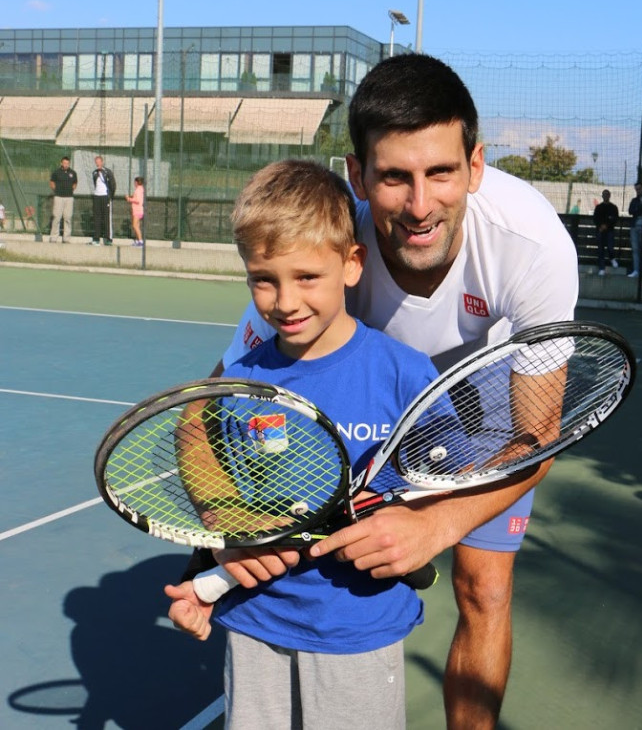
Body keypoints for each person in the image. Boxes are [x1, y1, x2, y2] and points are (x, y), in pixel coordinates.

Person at [168, 53, 579, 729]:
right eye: (394, 177)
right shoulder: (319, 248)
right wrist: (225, 528)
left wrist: (435, 523)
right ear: (358, 176)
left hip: (487, 398)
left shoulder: (534, 248)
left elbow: (538, 433)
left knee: (484, 586)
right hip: (376, 390)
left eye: (440, 172)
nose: (420, 206)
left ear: (475, 166)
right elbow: (201, 414)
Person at [168, 160, 441, 727]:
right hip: (255, 623)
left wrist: (418, 524)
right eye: (263, 279)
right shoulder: (242, 377)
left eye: (307, 277)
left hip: (359, 629)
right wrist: (212, 558)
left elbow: (448, 479)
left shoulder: (404, 374)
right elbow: (198, 441)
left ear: (352, 264)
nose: (286, 301)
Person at [49, 156, 78, 242]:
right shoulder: (56, 172)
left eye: (67, 163)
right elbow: (52, 182)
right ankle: (53, 237)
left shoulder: (73, 173)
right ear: (61, 163)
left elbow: (75, 183)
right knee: (56, 217)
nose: (66, 165)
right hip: (58, 197)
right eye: (64, 163)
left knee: (67, 218)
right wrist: (56, 190)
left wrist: (71, 189)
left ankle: (66, 238)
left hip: (69, 198)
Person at [90, 155, 116, 246]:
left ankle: (108, 238)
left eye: (99, 162)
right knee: (97, 217)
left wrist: (110, 196)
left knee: (106, 217)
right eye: (96, 162)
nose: (97, 164)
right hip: (97, 196)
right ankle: (96, 238)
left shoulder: (107, 172)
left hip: (105, 196)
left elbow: (113, 184)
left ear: (102, 162)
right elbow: (95, 183)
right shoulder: (94, 172)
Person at [593, 189, 619, 275]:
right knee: (600, 249)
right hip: (600, 231)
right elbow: (595, 219)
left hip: (610, 231)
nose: (605, 196)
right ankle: (602, 268)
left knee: (610, 247)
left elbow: (615, 219)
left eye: (607, 195)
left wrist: (606, 226)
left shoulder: (613, 207)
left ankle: (612, 258)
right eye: (604, 195)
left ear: (609, 196)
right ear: (602, 196)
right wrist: (600, 226)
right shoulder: (598, 207)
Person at [125, 176, 145, 246]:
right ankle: (138, 240)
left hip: (137, 210)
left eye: (134, 182)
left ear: (136, 182)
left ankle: (140, 241)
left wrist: (129, 199)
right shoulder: (140, 189)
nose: (134, 183)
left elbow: (138, 200)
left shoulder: (138, 190)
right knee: (137, 226)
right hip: (138, 210)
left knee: (134, 226)